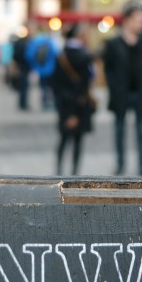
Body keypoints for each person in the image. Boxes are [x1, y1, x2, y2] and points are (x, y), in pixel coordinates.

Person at [103, 1, 142, 177]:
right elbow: (108, 69)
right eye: (139, 20)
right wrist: (114, 88)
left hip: (140, 95)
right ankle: (120, 164)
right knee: (119, 131)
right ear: (127, 20)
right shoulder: (114, 44)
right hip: (121, 95)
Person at [52, 23, 94, 176]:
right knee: (77, 142)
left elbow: (55, 85)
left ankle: (58, 171)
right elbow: (85, 85)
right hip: (79, 106)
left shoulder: (60, 56)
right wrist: (75, 113)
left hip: (64, 105)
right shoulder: (84, 56)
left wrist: (66, 111)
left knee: (63, 140)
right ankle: (75, 173)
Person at [26, 28, 58, 110]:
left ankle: (44, 101)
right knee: (51, 86)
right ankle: (50, 101)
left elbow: (29, 56)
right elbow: (56, 53)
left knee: (43, 86)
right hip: (51, 68)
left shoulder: (34, 42)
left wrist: (34, 66)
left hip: (40, 69)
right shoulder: (50, 41)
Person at [12, 28, 33, 110]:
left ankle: (23, 103)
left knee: (23, 86)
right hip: (23, 66)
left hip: (22, 66)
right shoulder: (23, 44)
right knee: (24, 86)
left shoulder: (19, 43)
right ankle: (23, 104)